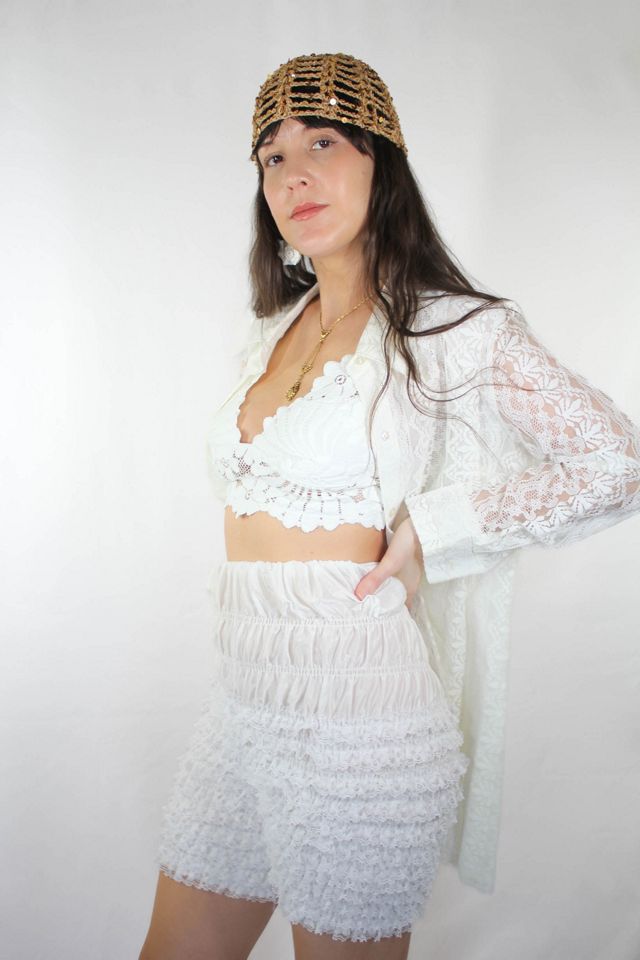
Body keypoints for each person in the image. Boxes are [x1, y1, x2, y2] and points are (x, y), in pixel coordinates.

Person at [139, 52, 640, 959]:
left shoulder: (455, 329)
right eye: (272, 158)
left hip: (359, 718)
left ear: (384, 162)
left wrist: (434, 530)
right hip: (245, 700)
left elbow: (616, 463)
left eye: (322, 143)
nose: (293, 176)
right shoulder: (271, 331)